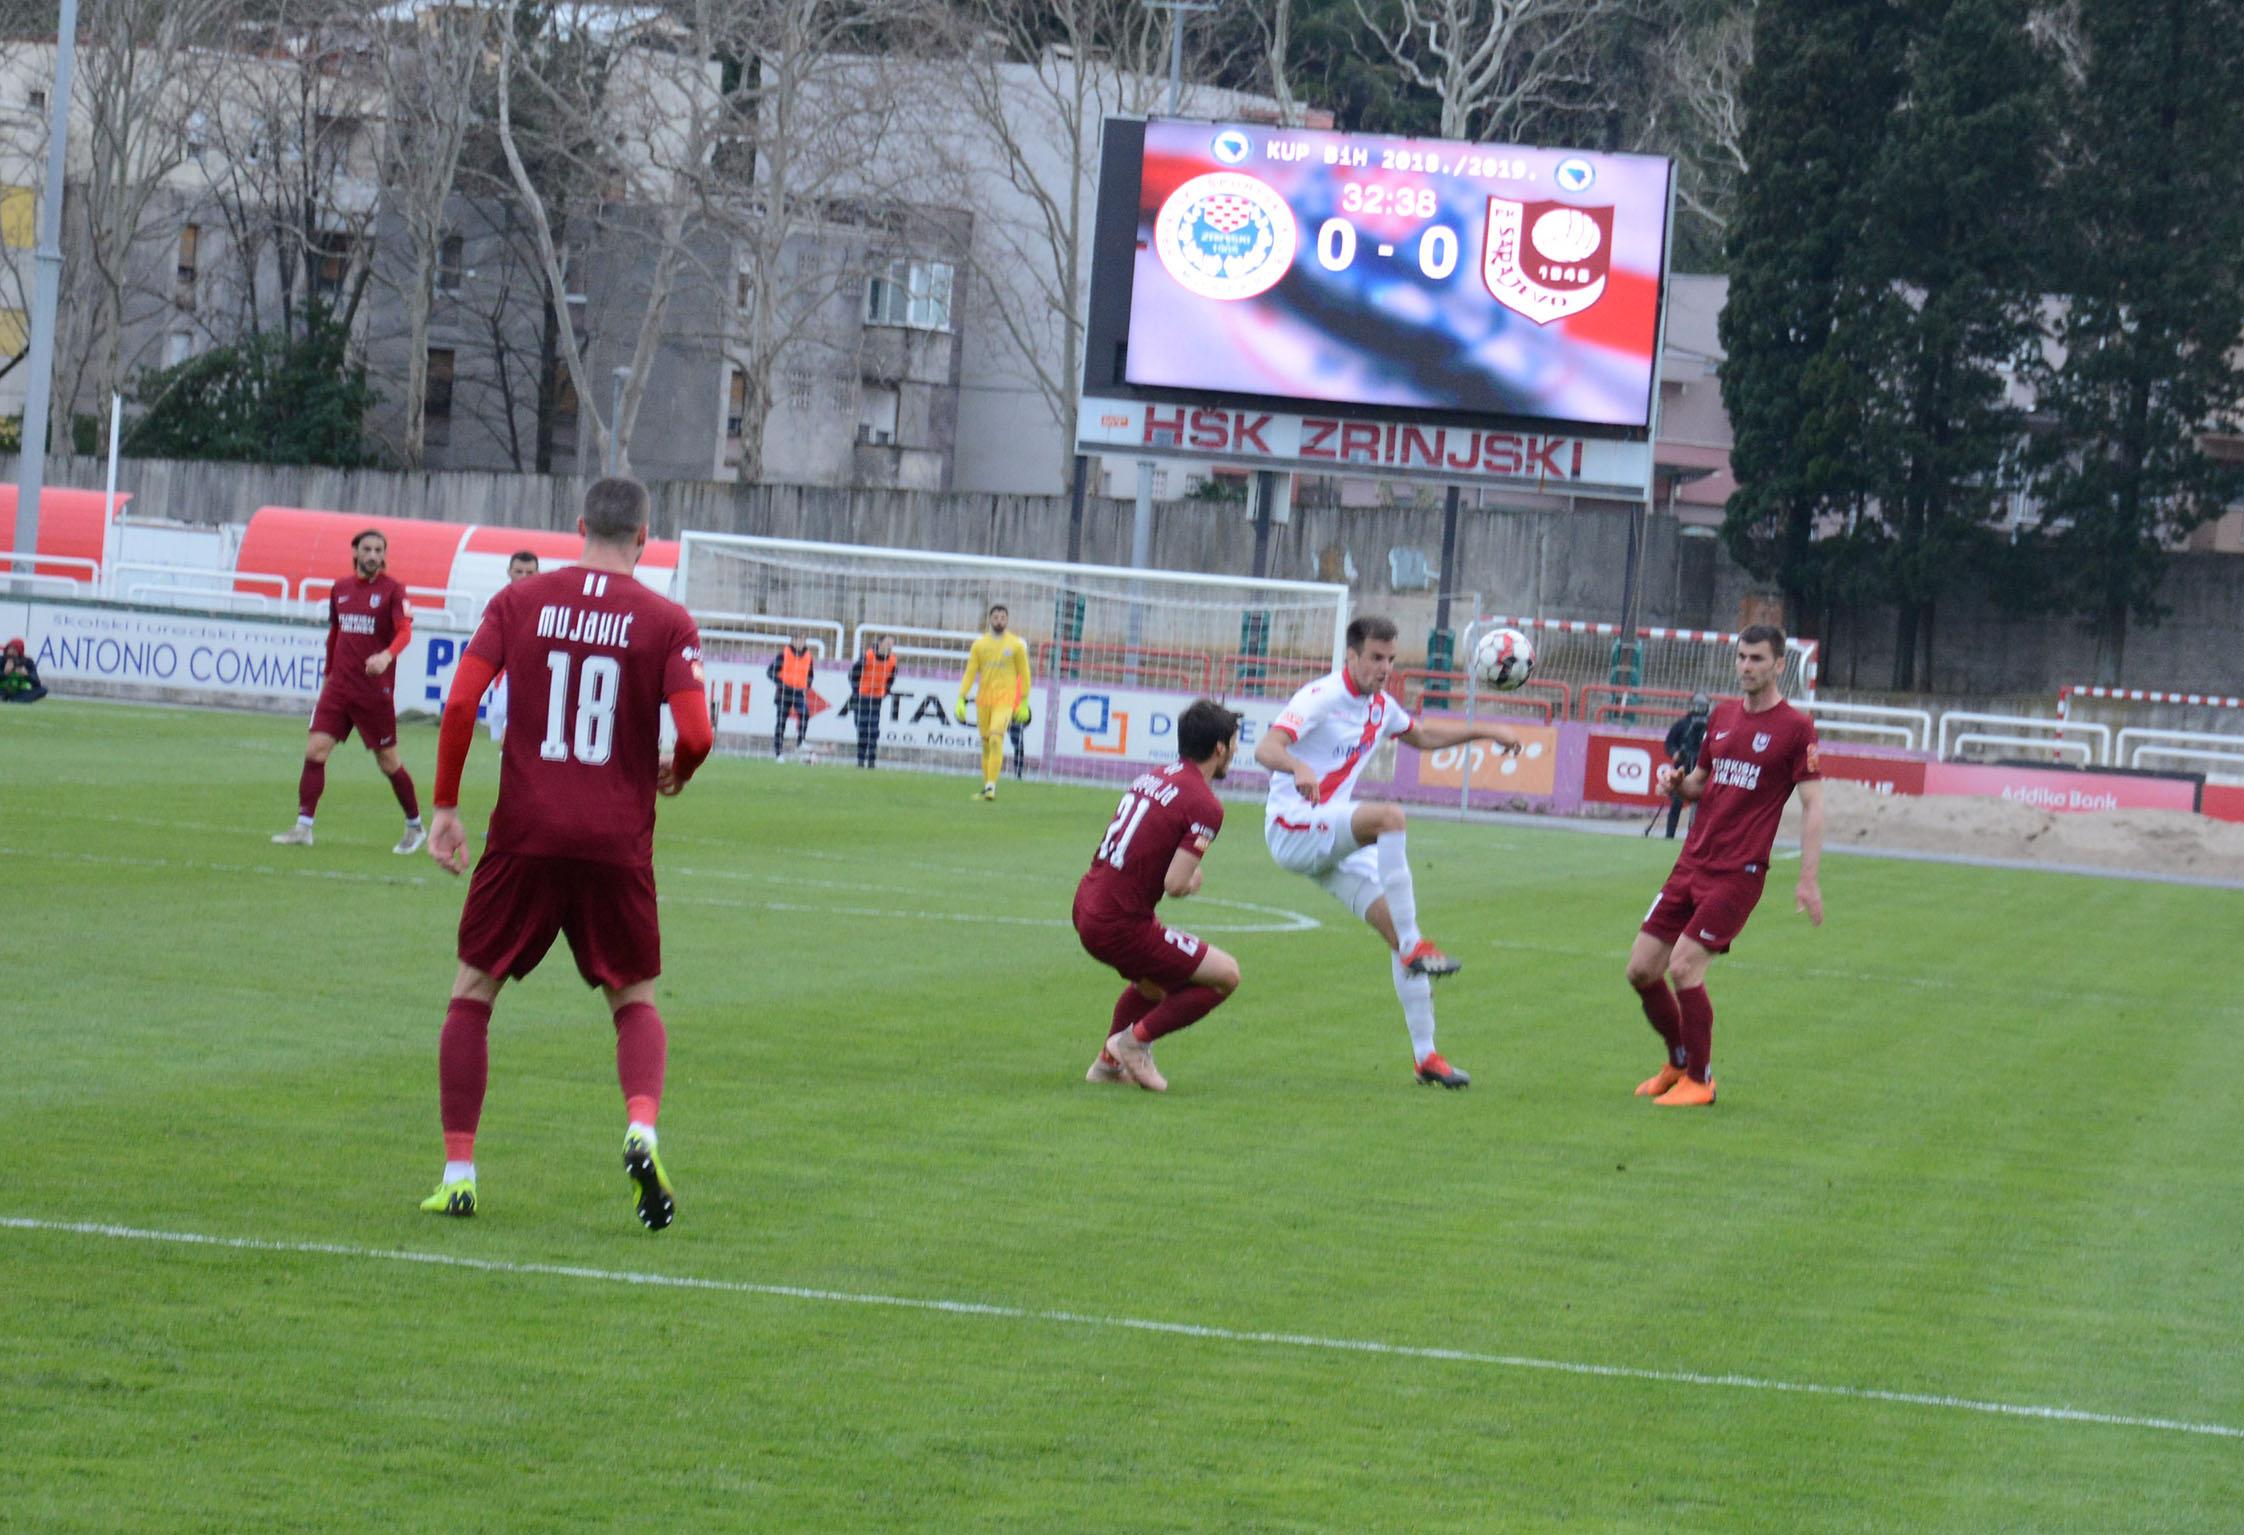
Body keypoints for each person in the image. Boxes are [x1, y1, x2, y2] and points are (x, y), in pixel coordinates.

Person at [418, 477, 713, 1226]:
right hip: (616, 840)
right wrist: (679, 769)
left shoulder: (519, 602)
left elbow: (459, 703)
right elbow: (699, 732)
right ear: (644, 534)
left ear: (580, 524)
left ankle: (459, 1173)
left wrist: (446, 804)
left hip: (526, 831)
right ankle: (641, 1124)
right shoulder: (667, 619)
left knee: (473, 991)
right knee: (634, 998)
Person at [1254, 614, 1524, 1088]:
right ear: (1352, 656)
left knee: (1402, 939)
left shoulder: (1382, 707)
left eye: (1391, 659)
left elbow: (1422, 738)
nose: (1384, 668)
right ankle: (1416, 946)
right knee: (1390, 817)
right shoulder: (1319, 698)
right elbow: (1267, 748)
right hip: (1292, 825)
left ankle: (1428, 1058)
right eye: (1376, 658)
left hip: (1329, 833)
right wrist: (1296, 766)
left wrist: (1486, 731)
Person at [1625, 625, 1824, 1107]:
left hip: (1739, 873)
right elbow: (1700, 783)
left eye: (1757, 658)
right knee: (1641, 971)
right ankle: (1677, 1062)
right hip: (1691, 863)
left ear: (1779, 665)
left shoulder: (1796, 729)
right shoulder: (1722, 716)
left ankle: (1701, 1079)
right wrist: (1676, 784)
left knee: (1685, 967)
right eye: (1741, 657)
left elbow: (1814, 805)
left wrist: (1808, 879)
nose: (1746, 666)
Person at [1075, 700, 1243, 1093]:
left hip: (1088, 903)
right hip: (1119, 922)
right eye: (1234, 743)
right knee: (1225, 976)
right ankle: (1134, 1043)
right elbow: (1176, 884)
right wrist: (1194, 878)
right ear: (1219, 747)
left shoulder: (1153, 776)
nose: (1236, 751)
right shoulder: (1205, 804)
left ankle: (1107, 1065)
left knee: (1155, 984)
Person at [272, 528, 425, 853]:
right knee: (315, 751)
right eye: (367, 549)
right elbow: (335, 634)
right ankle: (303, 828)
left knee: (388, 761)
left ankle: (415, 826)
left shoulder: (393, 591)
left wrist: (386, 655)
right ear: (355, 552)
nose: (373, 556)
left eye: (378, 550)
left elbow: (405, 630)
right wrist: (328, 675)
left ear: (384, 555)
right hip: (338, 688)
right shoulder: (340, 589)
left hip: (373, 692)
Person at [956, 603, 1031, 800]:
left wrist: (1023, 701)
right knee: (987, 743)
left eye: (1003, 618)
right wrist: (961, 698)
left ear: (1007, 620)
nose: (999, 621)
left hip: (1005, 701)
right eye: (996, 617)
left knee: (997, 738)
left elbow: (1024, 674)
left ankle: (991, 787)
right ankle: (987, 785)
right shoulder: (979, 645)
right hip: (984, 700)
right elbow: (970, 673)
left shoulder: (1016, 645)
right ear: (990, 619)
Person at [481, 551, 541, 744]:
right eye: (519, 571)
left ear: (538, 573)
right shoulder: (499, 603)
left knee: (516, 726)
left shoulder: (544, 603)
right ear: (509, 572)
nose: (524, 577)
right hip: (506, 674)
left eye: (529, 572)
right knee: (501, 717)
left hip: (535, 674)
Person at [1659, 692, 1713, 839]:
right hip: (1683, 766)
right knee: (1676, 801)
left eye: (1702, 706)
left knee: (1699, 805)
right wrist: (1675, 753)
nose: (1698, 709)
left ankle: (1694, 836)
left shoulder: (1711, 725)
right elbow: (1669, 743)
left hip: (1702, 768)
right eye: (1696, 705)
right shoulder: (1682, 724)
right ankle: (1669, 835)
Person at [847, 634, 897, 768]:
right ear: (880, 644)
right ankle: (860, 759)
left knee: (873, 729)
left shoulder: (892, 660)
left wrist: (885, 691)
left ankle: (871, 760)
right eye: (887, 644)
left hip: (876, 698)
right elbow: (853, 673)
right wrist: (856, 690)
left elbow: (891, 678)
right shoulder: (868, 656)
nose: (889, 647)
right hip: (862, 697)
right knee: (862, 727)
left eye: (891, 644)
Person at [768, 632, 815, 759]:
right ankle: (778, 753)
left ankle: (801, 742)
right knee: (781, 722)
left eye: (802, 640)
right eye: (797, 640)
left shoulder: (808, 656)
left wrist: (807, 686)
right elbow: (770, 672)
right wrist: (782, 684)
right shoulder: (784, 654)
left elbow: (810, 675)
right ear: (792, 641)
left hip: (799, 692)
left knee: (805, 713)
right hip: (783, 692)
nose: (799, 643)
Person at [1, 638, 46, 703]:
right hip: (3, 689)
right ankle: (4, 697)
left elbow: (37, 683)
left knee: (43, 690)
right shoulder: (2, 660)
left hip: (19, 691)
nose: (10, 652)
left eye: (14, 650)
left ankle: (17, 700)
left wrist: (26, 675)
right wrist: (5, 673)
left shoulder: (28, 662)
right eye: (9, 649)